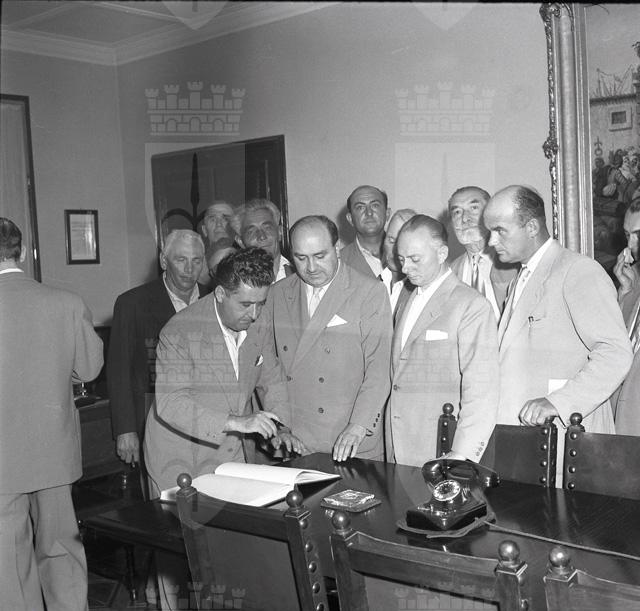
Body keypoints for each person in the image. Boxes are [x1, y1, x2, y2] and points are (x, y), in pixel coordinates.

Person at [484, 185, 633, 481]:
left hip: (567, 444)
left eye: (499, 230)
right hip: (527, 446)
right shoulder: (520, 279)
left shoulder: (578, 271)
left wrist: (558, 402)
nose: (491, 241)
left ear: (531, 227)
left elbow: (615, 353)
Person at [0, 217, 103, 611]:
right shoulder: (66, 302)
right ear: (22, 252)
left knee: (9, 563)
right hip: (53, 449)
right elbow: (89, 370)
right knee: (61, 548)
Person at [267, 215, 392, 461]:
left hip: (351, 440)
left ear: (337, 249)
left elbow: (379, 368)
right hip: (297, 440)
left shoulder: (369, 292)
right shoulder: (277, 294)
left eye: (320, 256)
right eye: (301, 258)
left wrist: (358, 426)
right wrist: (280, 425)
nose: (311, 268)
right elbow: (269, 368)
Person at [387, 215, 499, 467]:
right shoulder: (406, 298)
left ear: (441, 253)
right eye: (402, 259)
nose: (405, 268)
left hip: (440, 447)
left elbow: (482, 388)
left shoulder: (471, 305)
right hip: (397, 444)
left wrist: (462, 453)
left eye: (415, 259)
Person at [107, 230, 208, 470]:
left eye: (196, 261)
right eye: (180, 259)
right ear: (164, 261)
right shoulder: (132, 303)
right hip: (154, 418)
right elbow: (119, 370)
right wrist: (125, 429)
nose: (189, 269)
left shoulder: (215, 298)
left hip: (207, 421)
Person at [448, 186, 518, 320]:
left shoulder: (516, 262)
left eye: (474, 208)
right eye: (457, 212)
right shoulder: (450, 274)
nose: (465, 219)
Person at [612, 196, 640, 435]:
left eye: (638, 235)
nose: (630, 245)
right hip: (624, 418)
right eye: (627, 234)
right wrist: (625, 294)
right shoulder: (634, 282)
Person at [235, 198, 293, 281]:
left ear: (280, 232)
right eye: (252, 232)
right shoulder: (235, 282)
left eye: (267, 228)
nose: (262, 236)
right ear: (240, 241)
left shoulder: (300, 273)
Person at [340, 185, 390, 278]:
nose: (369, 213)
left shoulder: (407, 254)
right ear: (350, 218)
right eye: (360, 207)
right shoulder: (338, 264)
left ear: (387, 213)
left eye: (375, 205)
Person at [381, 208, 416, 314]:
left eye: (402, 243)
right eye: (391, 241)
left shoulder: (420, 290)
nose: (395, 250)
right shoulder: (374, 284)